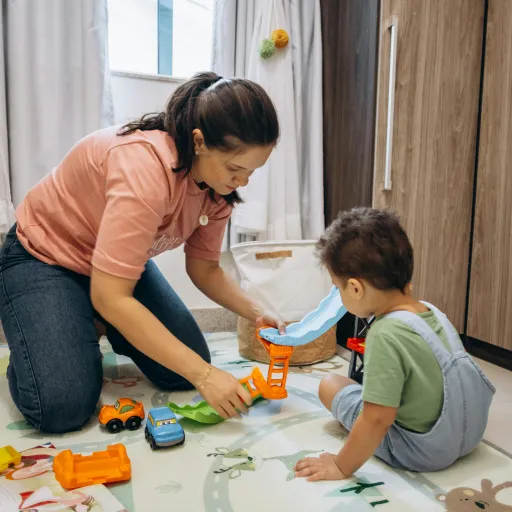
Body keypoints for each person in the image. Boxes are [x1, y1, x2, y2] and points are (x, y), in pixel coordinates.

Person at [0, 71, 286, 434]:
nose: (242, 181)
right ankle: (44, 333)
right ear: (199, 141)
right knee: (60, 406)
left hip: (113, 269)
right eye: (235, 168)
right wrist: (206, 376)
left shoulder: (217, 189)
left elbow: (206, 268)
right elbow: (111, 295)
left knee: (179, 371)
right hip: (43, 256)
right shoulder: (145, 169)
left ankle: (90, 318)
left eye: (251, 172)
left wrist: (257, 311)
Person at [294, 207, 495, 481]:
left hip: (423, 450)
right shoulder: (432, 312)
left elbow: (378, 419)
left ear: (355, 287)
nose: (340, 295)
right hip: (470, 433)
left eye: (337, 287)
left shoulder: (384, 333)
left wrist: (341, 466)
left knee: (330, 385)